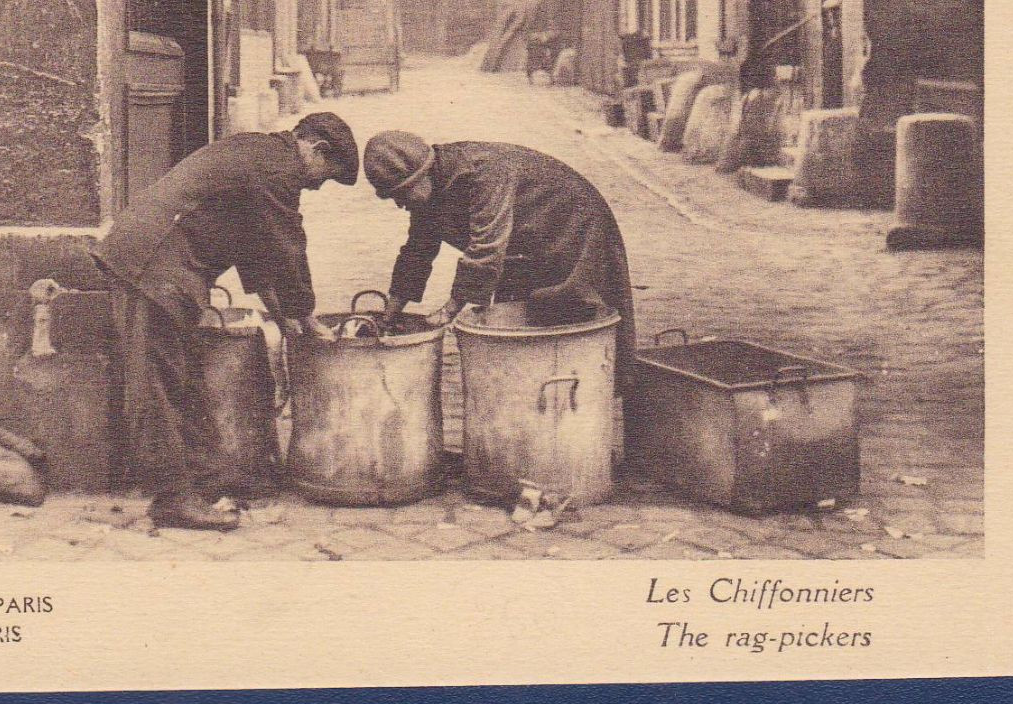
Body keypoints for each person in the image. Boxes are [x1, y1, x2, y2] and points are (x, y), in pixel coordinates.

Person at [91, 113, 358, 531]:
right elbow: (287, 250)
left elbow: (256, 251)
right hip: (153, 264)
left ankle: (196, 482)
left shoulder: (261, 155)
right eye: (323, 178)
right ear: (317, 149)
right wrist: (305, 315)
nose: (316, 186)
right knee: (157, 382)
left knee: (176, 376)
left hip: (159, 261)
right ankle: (172, 498)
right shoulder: (278, 169)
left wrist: (284, 317)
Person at [363, 131, 635, 383]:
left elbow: (487, 246)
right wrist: (389, 315)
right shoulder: (429, 192)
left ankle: (582, 401)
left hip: (572, 225)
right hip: (524, 243)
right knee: (515, 329)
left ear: (422, 174)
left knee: (574, 322)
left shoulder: (483, 172)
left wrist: (448, 311)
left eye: (401, 194)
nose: (400, 204)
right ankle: (527, 398)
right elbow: (416, 254)